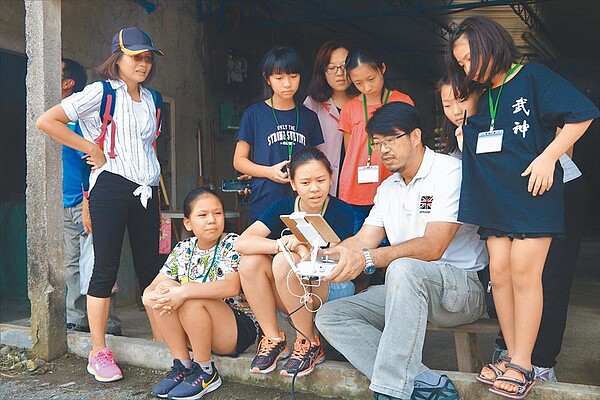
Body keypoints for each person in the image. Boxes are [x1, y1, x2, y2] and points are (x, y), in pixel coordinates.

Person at [447, 16, 599, 398]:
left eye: (469, 59)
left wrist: (549, 157)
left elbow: (581, 115)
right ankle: (512, 356)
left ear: (489, 45)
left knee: (525, 274)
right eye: (461, 63)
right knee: (499, 275)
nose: (466, 69)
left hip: (532, 195)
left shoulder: (533, 77)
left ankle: (524, 363)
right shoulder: (479, 93)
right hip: (494, 197)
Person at [315, 102, 489, 400]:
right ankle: (420, 382)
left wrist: (369, 258)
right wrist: (321, 257)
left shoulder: (450, 172)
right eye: (377, 143)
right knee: (331, 315)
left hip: (461, 289)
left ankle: (391, 392)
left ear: (415, 136)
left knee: (401, 266)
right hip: (406, 287)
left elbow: (434, 246)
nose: (383, 150)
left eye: (390, 140)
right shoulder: (387, 188)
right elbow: (362, 240)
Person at [37, 27, 165, 382]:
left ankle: (161, 341)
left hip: (146, 188)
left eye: (148, 57)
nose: (143, 63)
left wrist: (153, 179)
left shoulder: (153, 99)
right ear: (117, 58)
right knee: (104, 268)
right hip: (110, 185)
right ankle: (98, 350)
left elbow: (148, 145)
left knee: (149, 267)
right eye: (135, 56)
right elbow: (47, 121)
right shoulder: (100, 92)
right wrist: (90, 148)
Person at [236, 146, 354, 377]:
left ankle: (308, 341)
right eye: (305, 182)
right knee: (251, 262)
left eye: (320, 180)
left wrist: (304, 247)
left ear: (331, 178)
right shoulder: (283, 207)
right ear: (293, 184)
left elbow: (341, 256)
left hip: (331, 288)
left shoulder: (342, 210)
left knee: (283, 261)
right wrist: (284, 244)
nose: (314, 189)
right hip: (292, 291)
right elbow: (242, 242)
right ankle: (273, 339)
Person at [142, 187, 257, 399]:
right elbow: (152, 288)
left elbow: (230, 287)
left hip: (236, 329)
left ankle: (205, 371)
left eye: (217, 213)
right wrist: (154, 296)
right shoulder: (183, 248)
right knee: (165, 294)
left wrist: (183, 291)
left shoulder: (232, 243)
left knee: (188, 299)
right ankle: (183, 366)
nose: (211, 220)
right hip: (197, 329)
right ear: (188, 222)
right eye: (202, 215)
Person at [61, 57, 121, 336]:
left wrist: (88, 204)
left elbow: (92, 164)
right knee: (71, 265)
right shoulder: (58, 117)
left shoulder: (80, 121)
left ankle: (108, 324)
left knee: (99, 263)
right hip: (62, 204)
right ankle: (76, 320)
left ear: (68, 83)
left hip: (85, 202)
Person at [233, 46, 324, 224]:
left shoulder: (309, 117)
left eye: (293, 76)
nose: (287, 84)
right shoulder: (254, 114)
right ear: (267, 79)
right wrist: (269, 172)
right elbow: (239, 160)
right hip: (265, 198)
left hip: (303, 200)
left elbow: (317, 160)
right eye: (279, 77)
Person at [337, 48, 414, 233]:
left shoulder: (402, 101)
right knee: (356, 241)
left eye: (371, 79)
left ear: (383, 68)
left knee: (391, 241)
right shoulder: (349, 108)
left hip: (392, 185)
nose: (367, 87)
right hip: (354, 190)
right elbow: (350, 151)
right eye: (358, 83)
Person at [304, 40, 356, 196]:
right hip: (323, 183)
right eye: (332, 68)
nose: (340, 74)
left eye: (345, 67)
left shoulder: (364, 102)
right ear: (322, 72)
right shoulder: (312, 104)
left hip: (359, 182)